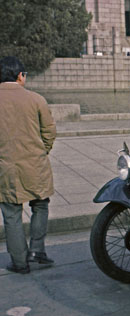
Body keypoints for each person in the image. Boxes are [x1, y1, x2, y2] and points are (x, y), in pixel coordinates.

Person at [0, 56, 56, 274]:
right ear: (20, 75)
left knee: (11, 213)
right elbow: (49, 132)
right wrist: (42, 151)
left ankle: (20, 262)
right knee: (40, 204)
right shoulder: (36, 99)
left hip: (5, 167)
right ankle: (37, 250)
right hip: (35, 163)